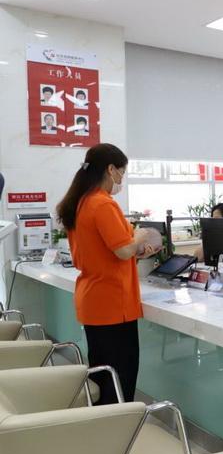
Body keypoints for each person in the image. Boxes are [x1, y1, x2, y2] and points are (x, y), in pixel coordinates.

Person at [56, 143, 158, 404]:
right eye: (122, 172)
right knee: (120, 376)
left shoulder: (81, 202)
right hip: (112, 303)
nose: (122, 178)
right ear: (111, 169)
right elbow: (123, 250)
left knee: (103, 374)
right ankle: (119, 424)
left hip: (94, 299)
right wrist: (139, 236)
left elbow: (109, 251)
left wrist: (136, 251)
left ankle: (103, 422)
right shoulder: (102, 204)